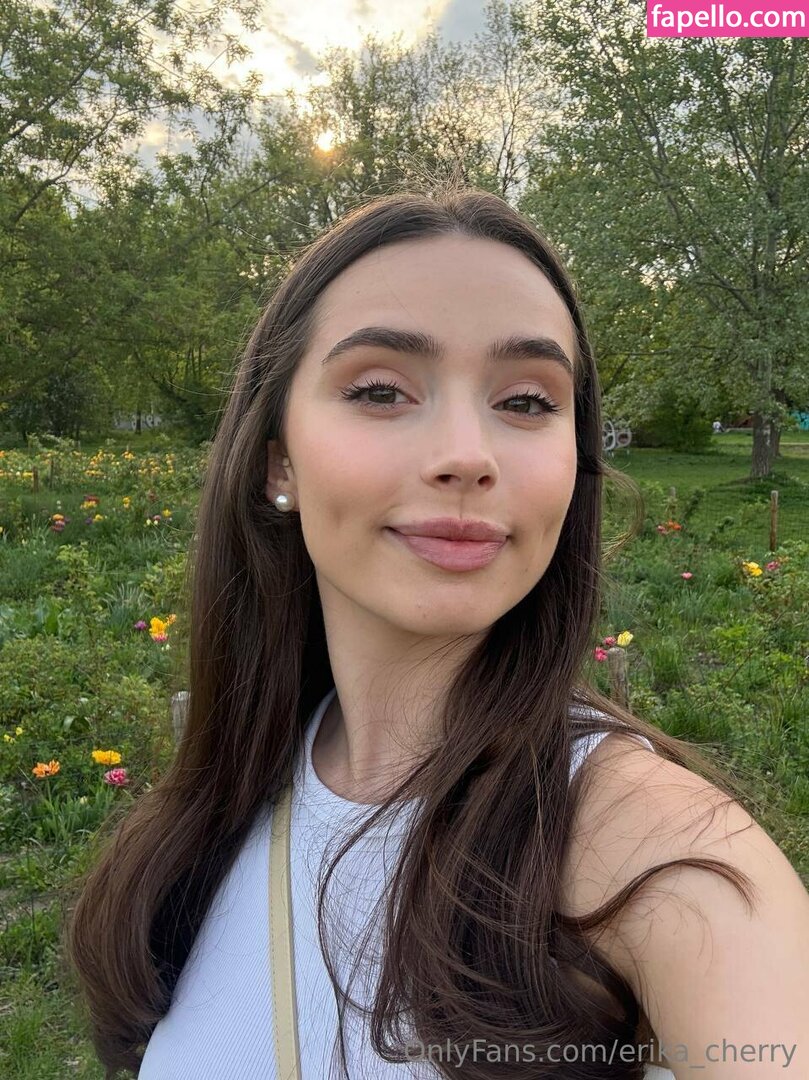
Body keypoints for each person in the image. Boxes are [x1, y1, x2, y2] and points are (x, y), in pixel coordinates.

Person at [66, 186, 809, 1079]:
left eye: (526, 401)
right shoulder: (221, 807)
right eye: (381, 390)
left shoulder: (656, 853)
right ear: (278, 462)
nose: (466, 453)